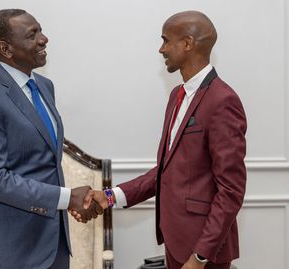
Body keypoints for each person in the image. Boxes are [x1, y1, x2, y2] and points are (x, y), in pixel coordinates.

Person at [81, 10, 247, 269]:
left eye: (166, 40)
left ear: (188, 44)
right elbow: (167, 171)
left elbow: (231, 190)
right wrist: (109, 197)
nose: (161, 49)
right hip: (175, 241)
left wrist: (200, 256)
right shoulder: (176, 96)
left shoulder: (223, 100)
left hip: (203, 253)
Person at [0, 9, 102, 269]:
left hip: (53, 242)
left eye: (41, 31)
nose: (44, 39)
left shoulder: (45, 86)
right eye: (32, 34)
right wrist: (67, 197)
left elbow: (44, 161)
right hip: (8, 248)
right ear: (6, 48)